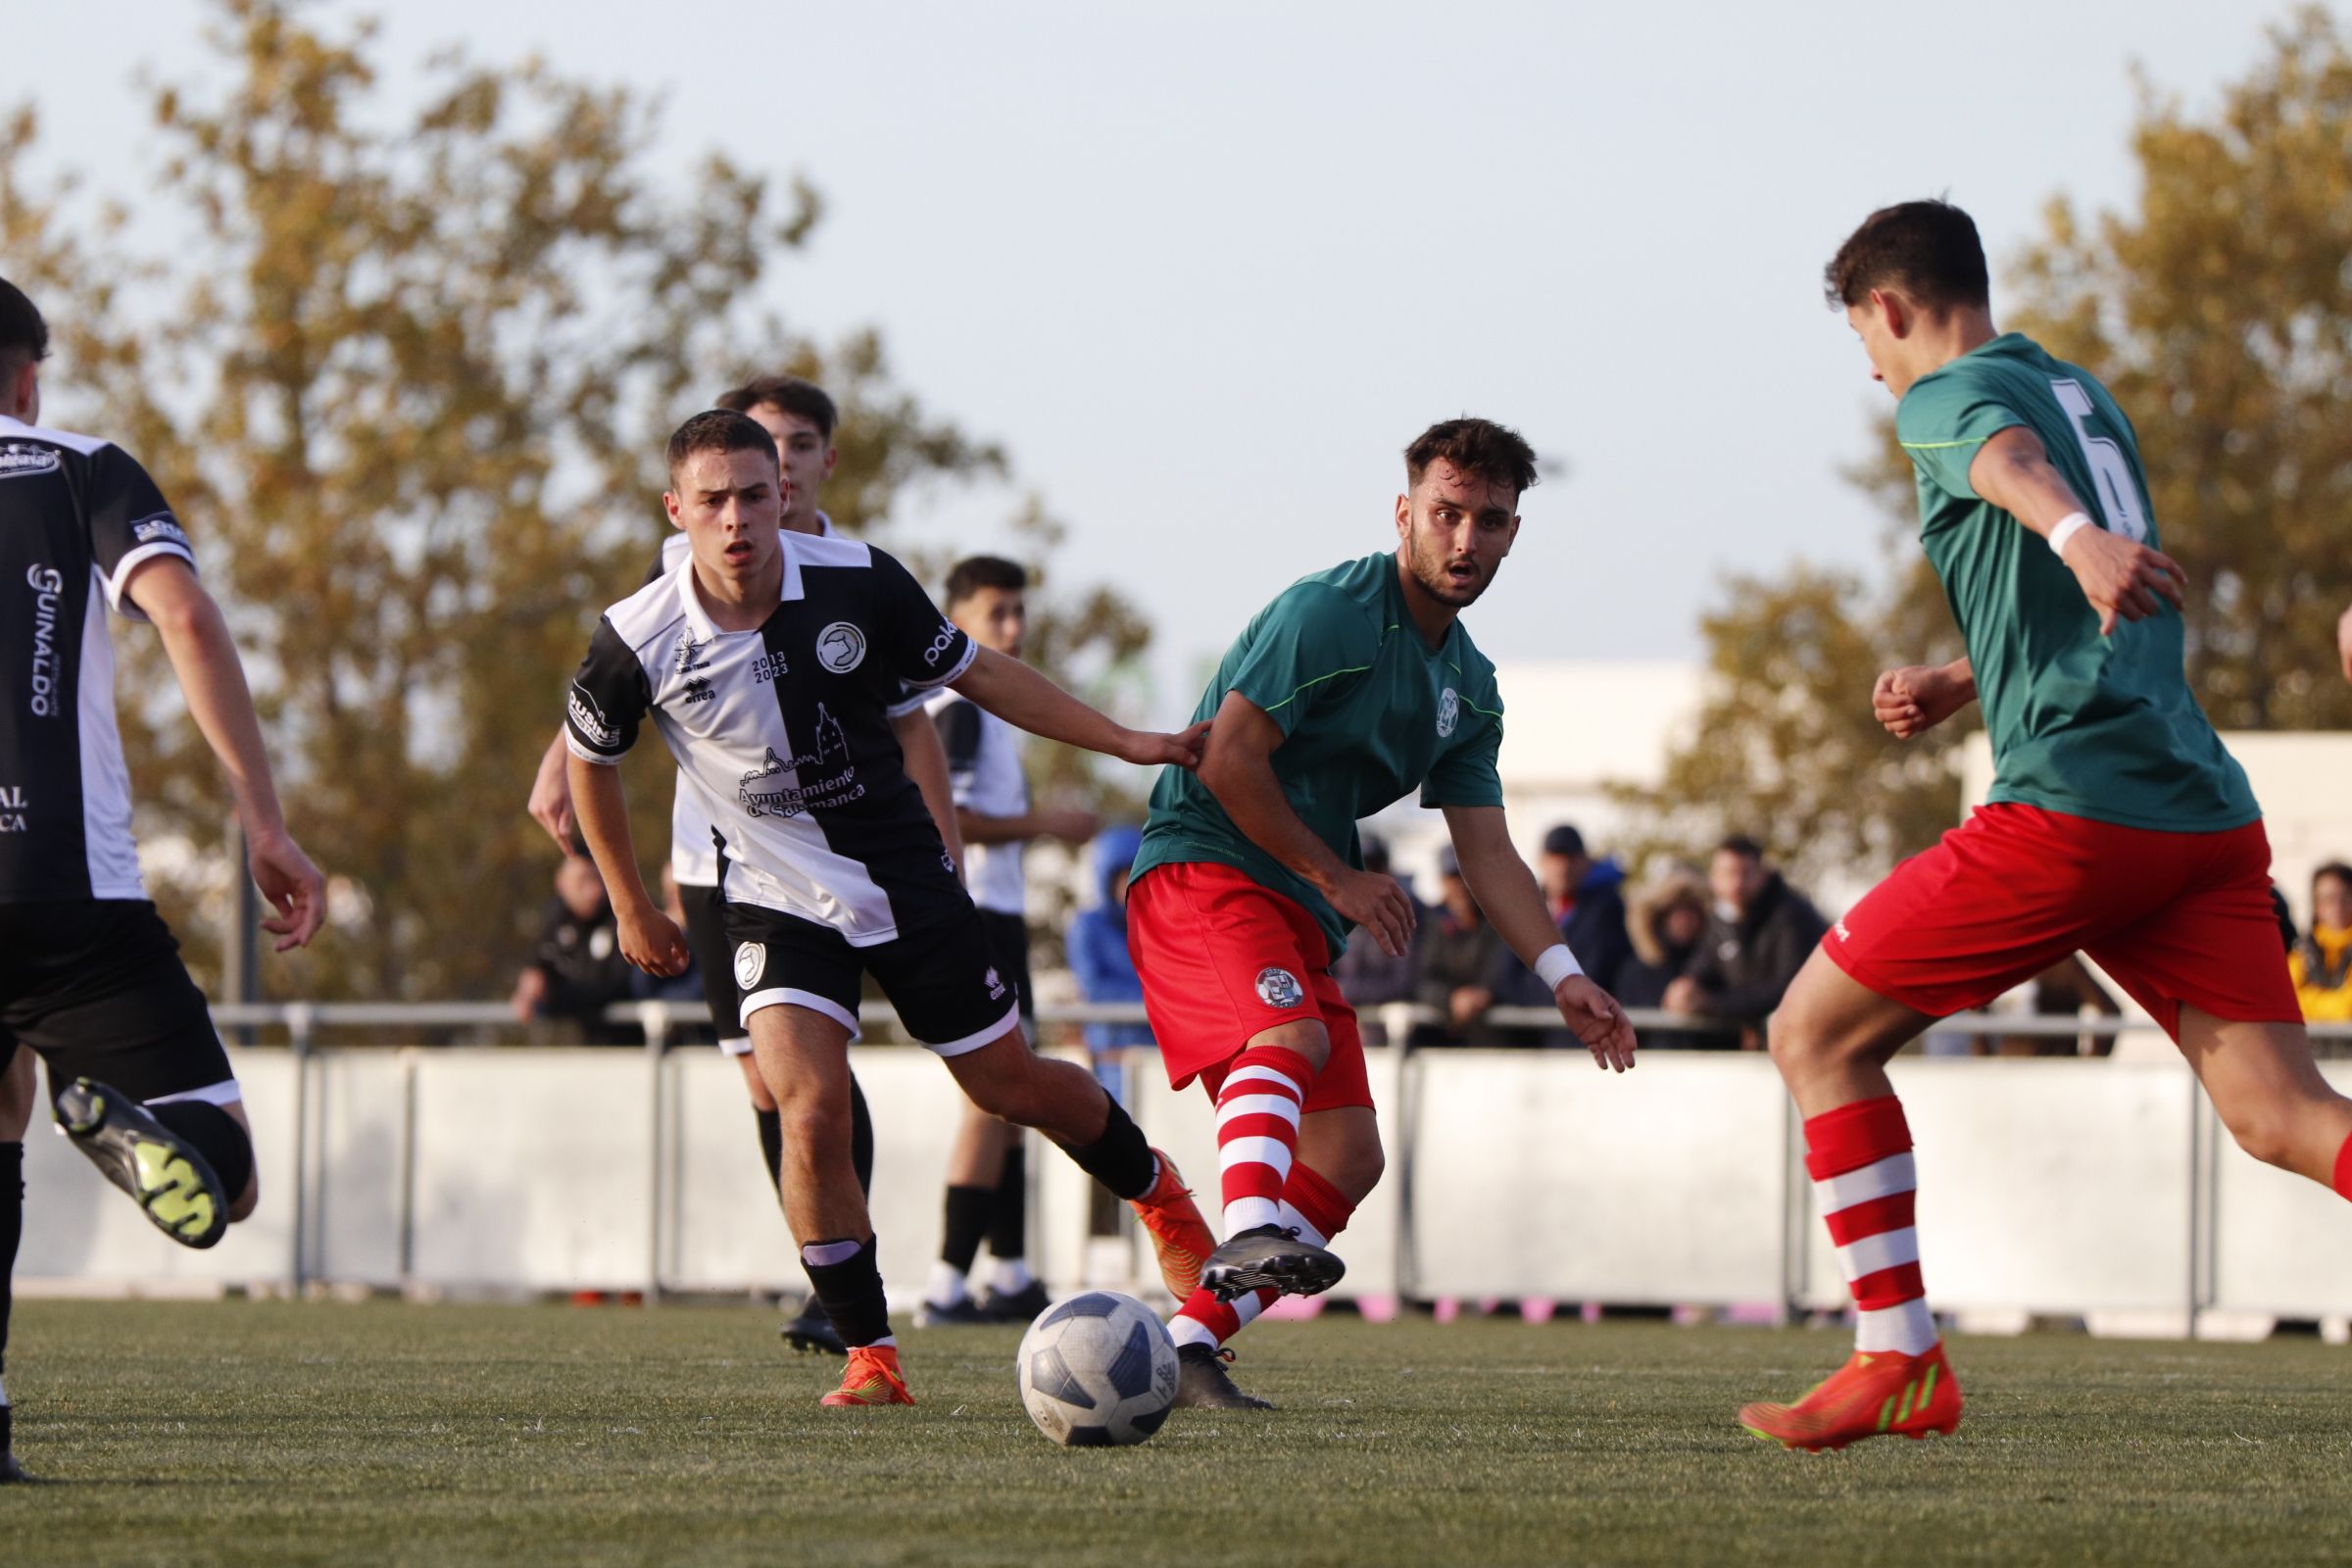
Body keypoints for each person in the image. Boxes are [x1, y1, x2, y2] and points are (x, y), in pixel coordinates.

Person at [1740, 201, 2352, 1451]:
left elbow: (2004, 466)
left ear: (1893, 310)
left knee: (1814, 1031)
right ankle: (1897, 1358)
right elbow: (2102, 594)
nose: (1873, 370)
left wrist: (2068, 536)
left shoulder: (1946, 393)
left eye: (1867, 339)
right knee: (2283, 1115)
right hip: (2196, 810)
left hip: (2078, 808)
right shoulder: (2081, 391)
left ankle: (1899, 1355)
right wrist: (1967, 677)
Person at [563, 410, 1215, 1408]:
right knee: (808, 1107)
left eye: (753, 493)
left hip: (899, 873)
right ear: (675, 512)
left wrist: (1126, 742)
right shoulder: (638, 636)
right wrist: (630, 901)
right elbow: (588, 762)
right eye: (712, 501)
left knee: (1011, 1085)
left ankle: (1158, 1193)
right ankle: (871, 1350)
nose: (736, 518)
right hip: (767, 895)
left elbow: (981, 674)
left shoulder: (862, 582)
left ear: (783, 495)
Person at [1124, 416, 1637, 1409]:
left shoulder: (1470, 686)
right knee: (1289, 1034)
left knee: (1351, 1155)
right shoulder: (1329, 613)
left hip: (1298, 900)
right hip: (1202, 868)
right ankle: (1245, 1229)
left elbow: (1489, 854)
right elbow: (1228, 758)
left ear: (1513, 533)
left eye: (1489, 521)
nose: (1465, 540)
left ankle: (1190, 1344)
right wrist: (1339, 877)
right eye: (1446, 513)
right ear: (1405, 512)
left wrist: (1564, 975)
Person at [527, 374, 962, 1355]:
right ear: (689, 499)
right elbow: (614, 676)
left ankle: (848, 1291)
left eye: (795, 447)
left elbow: (916, 721)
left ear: (812, 466)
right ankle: (830, 1269)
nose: (760, 487)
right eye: (741, 468)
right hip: (716, 859)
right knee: (771, 1087)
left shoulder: (850, 576)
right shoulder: (685, 565)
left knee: (817, 1078)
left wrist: (947, 847)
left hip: (854, 859)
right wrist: (562, 763)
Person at [0, 277, 328, 1482]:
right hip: (64, 893)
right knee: (225, 1172)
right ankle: (140, 1127)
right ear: (28, 377)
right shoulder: (82, 466)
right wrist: (264, 822)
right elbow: (183, 617)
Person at [914, 555, 1100, 1326]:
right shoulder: (960, 702)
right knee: (991, 1102)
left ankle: (1012, 1271)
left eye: (1019, 612)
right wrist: (1044, 824)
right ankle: (945, 1284)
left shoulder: (991, 703)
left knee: (1016, 1090)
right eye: (997, 614)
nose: (1013, 628)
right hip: (976, 914)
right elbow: (945, 816)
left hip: (1000, 915)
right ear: (956, 618)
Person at [1661, 837, 1829, 1050]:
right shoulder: (1719, 921)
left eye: (1745, 873)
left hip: (1801, 1044)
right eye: (1727, 874)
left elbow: (1790, 988)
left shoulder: (1792, 916)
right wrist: (1685, 988)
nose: (1736, 884)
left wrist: (1710, 1004)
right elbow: (1703, 969)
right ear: (1713, 877)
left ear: (1762, 874)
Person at [1490, 824, 1633, 1046]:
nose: (1563, 867)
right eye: (1556, 857)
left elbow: (1595, 971)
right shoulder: (1524, 906)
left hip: (1576, 1039)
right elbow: (1504, 976)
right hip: (1528, 1036)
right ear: (1542, 861)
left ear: (1585, 862)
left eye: (1571, 858)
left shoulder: (1606, 908)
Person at [509, 855, 636, 1043]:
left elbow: (615, 986)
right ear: (561, 882)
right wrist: (530, 989)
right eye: (583, 880)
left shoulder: (620, 920)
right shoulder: (552, 921)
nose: (594, 891)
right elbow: (537, 965)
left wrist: (551, 997)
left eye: (598, 879)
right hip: (576, 1052)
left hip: (627, 1048)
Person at [1067, 825, 1155, 1084]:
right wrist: (1160, 998)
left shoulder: (1160, 925)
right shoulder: (1088, 925)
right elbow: (1093, 987)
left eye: (1136, 875)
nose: (1129, 885)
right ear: (1106, 878)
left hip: (1158, 1058)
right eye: (1123, 876)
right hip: (1110, 1057)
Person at [1611, 866, 1716, 1050]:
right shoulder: (1636, 972)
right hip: (1652, 1068)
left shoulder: (1718, 967)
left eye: (1691, 911)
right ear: (1657, 917)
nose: (1684, 920)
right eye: (1674, 912)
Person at [1409, 850, 1505, 1047]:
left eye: (1465, 876)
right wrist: (1451, 1000)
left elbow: (1503, 973)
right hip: (1440, 1036)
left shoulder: (1499, 922)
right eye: (1453, 877)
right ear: (1442, 882)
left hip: (1491, 1039)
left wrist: (1481, 995)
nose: (1460, 885)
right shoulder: (1430, 923)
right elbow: (1421, 978)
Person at [1331, 837, 1420, 1011]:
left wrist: (1344, 991)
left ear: (1388, 870)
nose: (1368, 875)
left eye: (1375, 866)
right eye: (1359, 868)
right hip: (1345, 1015)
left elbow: (1403, 983)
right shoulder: (1335, 913)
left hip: (1386, 1022)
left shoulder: (1406, 912)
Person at [2291, 862, 2352, 1025]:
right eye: (2328, 899)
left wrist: (2308, 999)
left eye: (2345, 897)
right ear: (2317, 906)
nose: (2337, 907)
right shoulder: (2302, 952)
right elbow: (2285, 1002)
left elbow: (2348, 1009)